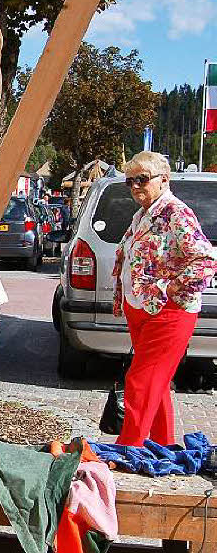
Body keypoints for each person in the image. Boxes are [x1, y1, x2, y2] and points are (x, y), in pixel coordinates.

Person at [112, 151, 217, 447]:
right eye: (129, 181)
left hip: (169, 312)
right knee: (155, 386)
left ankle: (127, 448)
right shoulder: (143, 214)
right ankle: (162, 447)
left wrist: (170, 288)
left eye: (142, 179)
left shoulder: (175, 212)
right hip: (142, 308)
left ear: (163, 180)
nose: (134, 186)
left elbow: (205, 261)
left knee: (140, 381)